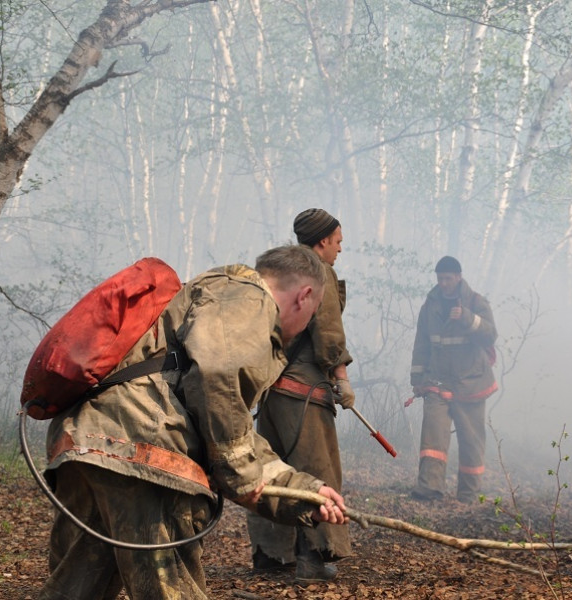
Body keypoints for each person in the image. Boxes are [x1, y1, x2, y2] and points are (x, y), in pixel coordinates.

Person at [39, 245, 348, 600]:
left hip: (88, 443)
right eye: (312, 315)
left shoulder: (211, 299)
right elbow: (218, 381)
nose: (305, 328)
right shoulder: (250, 298)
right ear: (304, 296)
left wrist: (306, 493)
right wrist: (240, 475)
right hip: (143, 451)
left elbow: (231, 428)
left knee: (74, 588)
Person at [247, 208, 353, 583]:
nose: (340, 249)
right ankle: (313, 558)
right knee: (316, 469)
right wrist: (341, 377)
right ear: (322, 241)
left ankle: (271, 556)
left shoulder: (280, 271)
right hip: (305, 392)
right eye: (337, 241)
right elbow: (328, 331)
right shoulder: (318, 272)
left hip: (270, 390)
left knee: (272, 471)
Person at [409, 256, 498, 503]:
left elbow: (491, 335)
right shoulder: (430, 306)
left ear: (458, 277)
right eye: (440, 279)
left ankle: (468, 493)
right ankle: (429, 488)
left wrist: (468, 318)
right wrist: (417, 378)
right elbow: (422, 343)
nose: (443, 283)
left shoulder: (476, 302)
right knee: (433, 437)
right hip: (437, 381)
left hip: (471, 383)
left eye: (448, 278)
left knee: (471, 441)